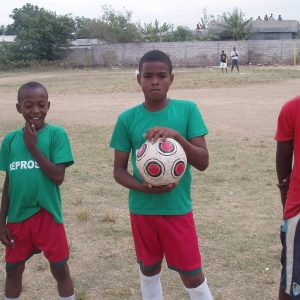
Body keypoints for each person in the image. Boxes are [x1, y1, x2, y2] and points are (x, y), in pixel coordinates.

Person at [110, 50, 213, 300]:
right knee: (148, 269)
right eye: (148, 76)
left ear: (171, 79)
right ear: (139, 80)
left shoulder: (188, 110)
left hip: (177, 209)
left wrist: (177, 137)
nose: (155, 81)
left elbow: (202, 161)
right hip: (142, 210)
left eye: (161, 75)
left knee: (192, 274)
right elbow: (119, 171)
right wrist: (143, 187)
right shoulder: (127, 119)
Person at [0, 82, 75, 300]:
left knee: (60, 268)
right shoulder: (11, 140)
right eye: (28, 105)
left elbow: (58, 177)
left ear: (48, 106)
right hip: (17, 218)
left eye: (41, 105)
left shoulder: (56, 134)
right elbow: (9, 183)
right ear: (18, 108)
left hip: (48, 216)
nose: (35, 111)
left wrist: (33, 147)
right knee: (13, 270)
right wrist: (1, 220)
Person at [275, 96, 300, 300]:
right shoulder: (292, 108)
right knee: (292, 285)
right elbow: (283, 155)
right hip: (298, 212)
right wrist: (287, 194)